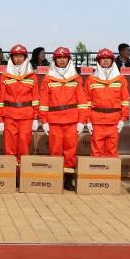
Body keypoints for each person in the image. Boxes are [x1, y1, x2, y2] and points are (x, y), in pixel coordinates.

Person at [40, 46, 87, 189]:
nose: (61, 60)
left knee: (70, 151)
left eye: (64, 57)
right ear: (54, 60)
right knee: (55, 151)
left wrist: (81, 121)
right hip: (54, 120)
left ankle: (68, 180)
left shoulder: (76, 78)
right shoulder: (48, 79)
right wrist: (44, 121)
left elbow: (82, 101)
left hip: (71, 120)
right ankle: (55, 179)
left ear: (68, 59)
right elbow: (44, 102)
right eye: (59, 58)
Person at [0, 44, 39, 163]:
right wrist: (0, 119)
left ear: (25, 57)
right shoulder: (5, 76)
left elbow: (35, 98)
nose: (18, 58)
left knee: (24, 145)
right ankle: (11, 171)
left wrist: (36, 118)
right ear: (11, 58)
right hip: (9, 116)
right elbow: (0, 100)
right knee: (10, 146)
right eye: (16, 56)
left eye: (21, 56)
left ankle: (22, 171)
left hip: (27, 116)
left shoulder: (32, 76)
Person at [84, 47, 128, 158]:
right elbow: (87, 102)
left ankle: (111, 170)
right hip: (97, 121)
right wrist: (87, 120)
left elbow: (125, 101)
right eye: (102, 58)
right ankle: (96, 170)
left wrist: (123, 119)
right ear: (98, 61)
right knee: (96, 152)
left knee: (112, 152)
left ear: (112, 60)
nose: (105, 60)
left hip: (114, 121)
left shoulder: (120, 79)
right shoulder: (91, 80)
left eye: (108, 58)